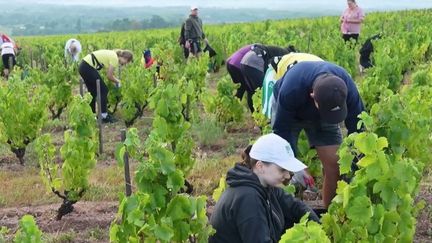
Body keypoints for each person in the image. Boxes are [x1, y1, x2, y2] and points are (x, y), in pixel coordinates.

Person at [271, 61, 365, 208]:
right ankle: (284, 216)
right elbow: (282, 132)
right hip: (291, 114)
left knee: (335, 165)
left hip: (322, 109)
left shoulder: (346, 86)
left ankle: (331, 216)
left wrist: (355, 163)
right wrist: (294, 166)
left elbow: (358, 127)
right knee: (281, 169)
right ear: (313, 96)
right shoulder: (291, 89)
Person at [209, 133, 319, 243]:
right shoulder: (248, 199)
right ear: (260, 166)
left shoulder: (265, 186)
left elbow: (296, 207)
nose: (287, 175)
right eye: (282, 170)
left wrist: (319, 230)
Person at [262, 52, 323, 120]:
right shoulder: (294, 83)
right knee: (276, 112)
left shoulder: (328, 80)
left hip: (302, 67)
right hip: (277, 69)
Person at [78, 49, 133, 123]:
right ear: (125, 58)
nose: (125, 64)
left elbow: (109, 74)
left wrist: (114, 81)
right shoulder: (115, 59)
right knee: (104, 90)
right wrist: (118, 81)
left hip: (83, 66)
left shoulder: (113, 55)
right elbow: (109, 76)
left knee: (92, 93)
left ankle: (92, 115)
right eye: (126, 62)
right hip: (87, 67)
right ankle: (104, 116)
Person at [240, 44, 292, 112]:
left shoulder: (279, 50)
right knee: (264, 90)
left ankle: (255, 114)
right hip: (255, 61)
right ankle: (266, 114)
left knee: (251, 91)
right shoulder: (287, 56)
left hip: (244, 60)